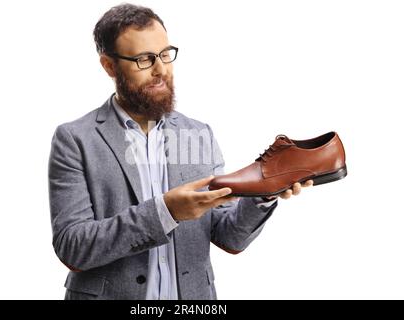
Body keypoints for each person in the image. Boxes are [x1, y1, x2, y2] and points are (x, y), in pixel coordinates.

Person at [48, 3, 312, 300]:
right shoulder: (74, 139)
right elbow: (74, 246)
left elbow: (229, 235)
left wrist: (265, 192)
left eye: (164, 54)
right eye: (144, 60)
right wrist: (166, 212)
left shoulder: (198, 134)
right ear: (109, 65)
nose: (161, 69)